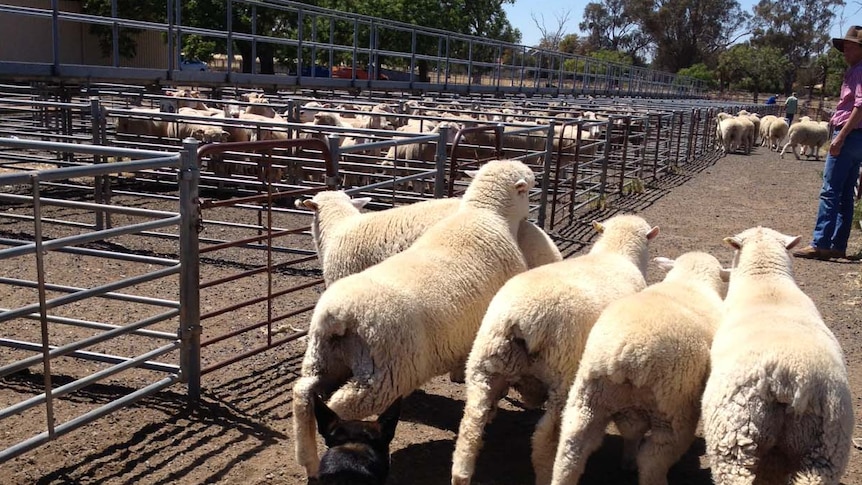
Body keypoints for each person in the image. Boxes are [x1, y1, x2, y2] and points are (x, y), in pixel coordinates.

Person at [793, 26, 862, 260]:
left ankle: (820, 243)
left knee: (830, 191)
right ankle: (838, 245)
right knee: (844, 193)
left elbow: (860, 106)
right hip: (857, 138)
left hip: (849, 134)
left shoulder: (859, 72)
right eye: (845, 46)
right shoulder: (854, 70)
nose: (846, 51)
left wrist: (840, 136)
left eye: (851, 46)